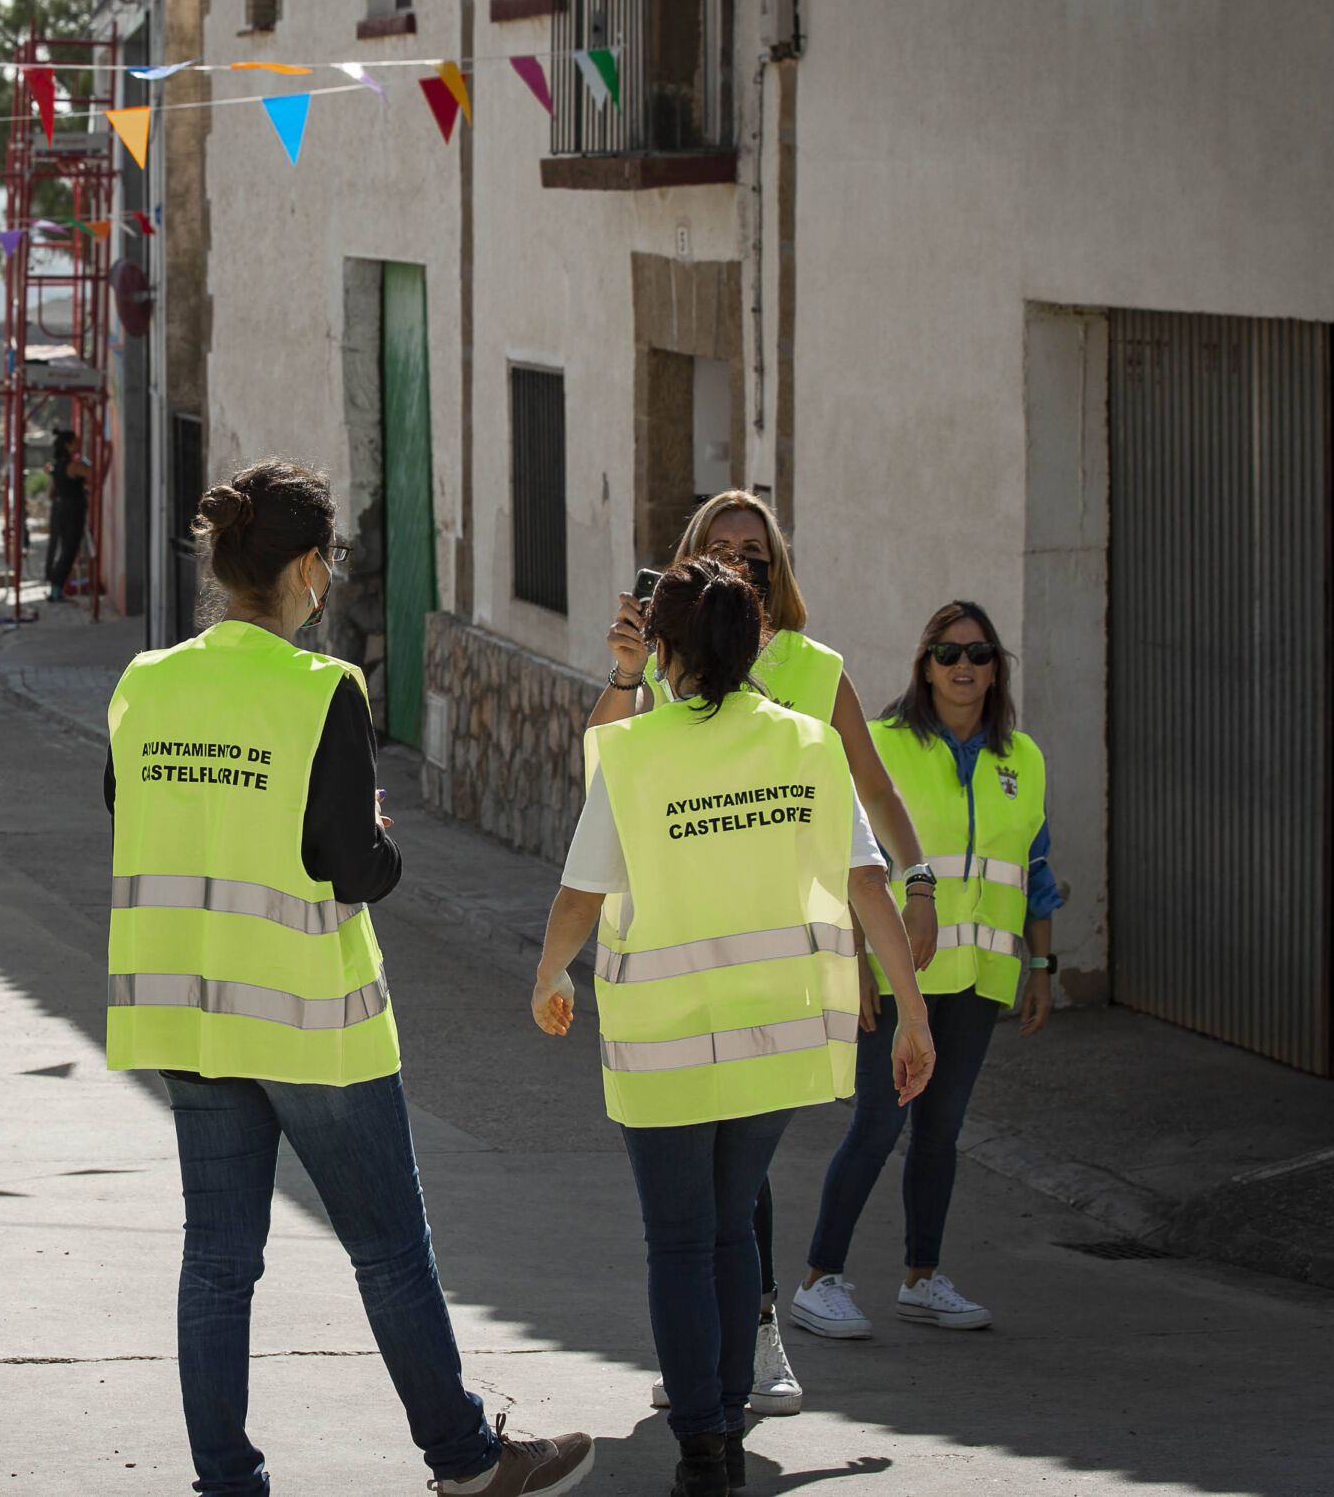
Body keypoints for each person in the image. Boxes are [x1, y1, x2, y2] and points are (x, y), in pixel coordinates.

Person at [107, 460, 594, 1497]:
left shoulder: (145, 682)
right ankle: (464, 1460)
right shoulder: (323, 687)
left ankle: (226, 1479)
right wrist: (379, 837)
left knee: (218, 1260)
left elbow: (131, 805)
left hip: (188, 1014)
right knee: (389, 1251)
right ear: (308, 569)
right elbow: (351, 866)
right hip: (311, 1021)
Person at [532, 555, 936, 1497]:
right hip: (777, 1037)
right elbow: (866, 886)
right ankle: (719, 1419)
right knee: (729, 1227)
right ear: (757, 643)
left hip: (664, 1042)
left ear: (665, 650)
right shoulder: (806, 745)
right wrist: (911, 1015)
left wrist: (550, 975)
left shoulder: (633, 755)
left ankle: (704, 1446)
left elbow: (578, 897)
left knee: (679, 1240)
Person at [794, 601, 1060, 1340]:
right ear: (925, 665)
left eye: (978, 654)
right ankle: (820, 1278)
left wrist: (1042, 962)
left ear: (996, 667)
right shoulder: (880, 744)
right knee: (879, 1124)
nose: (963, 666)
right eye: (947, 653)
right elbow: (838, 857)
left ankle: (922, 1278)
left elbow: (1036, 870)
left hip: (979, 977)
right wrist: (857, 962)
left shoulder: (1024, 759)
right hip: (898, 975)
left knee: (942, 1131)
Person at [46, 429, 90, 602]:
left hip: (61, 510)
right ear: (68, 445)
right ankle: (56, 589)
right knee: (69, 552)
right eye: (75, 442)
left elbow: (51, 493)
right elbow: (95, 476)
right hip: (74, 511)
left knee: (65, 550)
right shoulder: (74, 466)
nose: (79, 445)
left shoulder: (57, 467)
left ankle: (56, 588)